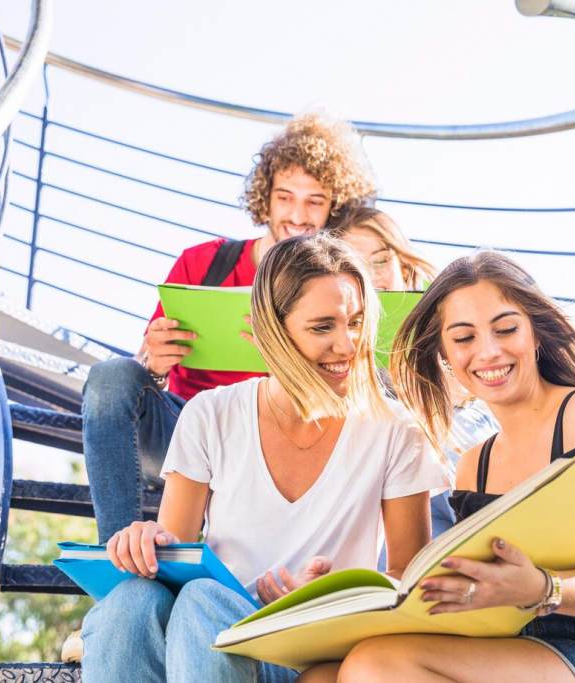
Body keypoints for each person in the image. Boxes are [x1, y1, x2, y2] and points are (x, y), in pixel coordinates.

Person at [79, 233, 450, 683]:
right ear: (272, 332)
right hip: (204, 641)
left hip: (307, 647)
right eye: (322, 327)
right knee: (130, 603)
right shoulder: (210, 413)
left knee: (202, 604)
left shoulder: (395, 429)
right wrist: (143, 541)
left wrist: (335, 596)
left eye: (355, 322)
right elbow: (173, 556)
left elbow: (407, 581)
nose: (349, 345)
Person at [300, 251, 575, 683]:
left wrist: (542, 588)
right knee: (321, 676)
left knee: (377, 665)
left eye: (505, 329)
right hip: (523, 643)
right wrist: (342, 603)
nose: (488, 351)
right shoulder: (472, 465)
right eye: (464, 338)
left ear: (536, 333)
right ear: (444, 354)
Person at [82, 113, 377, 544]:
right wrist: (155, 364)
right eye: (285, 197)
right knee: (110, 376)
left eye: (315, 201)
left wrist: (286, 355)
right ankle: (120, 552)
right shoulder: (202, 263)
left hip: (278, 443)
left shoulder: (342, 289)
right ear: (266, 198)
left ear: (334, 207)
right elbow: (141, 379)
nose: (298, 215)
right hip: (185, 432)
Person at [328, 205, 498, 542]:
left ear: (404, 268)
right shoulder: (333, 353)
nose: (372, 277)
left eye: (380, 261)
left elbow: (478, 400)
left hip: (449, 451)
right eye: (355, 268)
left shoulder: (449, 327)